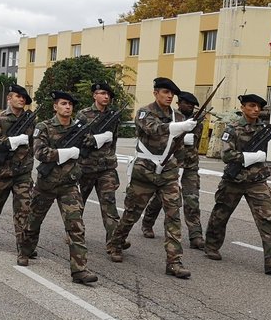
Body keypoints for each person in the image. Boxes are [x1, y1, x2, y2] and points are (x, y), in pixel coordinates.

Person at [106, 77, 195, 279]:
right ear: (155, 93)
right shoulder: (145, 112)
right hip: (144, 171)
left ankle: (174, 262)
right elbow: (152, 129)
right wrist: (175, 128)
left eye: (171, 93)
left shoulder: (179, 116)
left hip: (168, 173)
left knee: (173, 215)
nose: (169, 96)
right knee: (132, 213)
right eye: (165, 92)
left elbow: (179, 148)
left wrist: (178, 167)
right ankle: (116, 243)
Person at [204, 93, 271, 274]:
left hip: (256, 180)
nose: (256, 110)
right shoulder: (233, 128)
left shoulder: (264, 129)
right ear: (243, 107)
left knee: (266, 218)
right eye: (251, 106)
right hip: (234, 180)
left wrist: (258, 158)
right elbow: (226, 156)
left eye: (258, 107)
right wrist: (248, 156)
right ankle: (211, 245)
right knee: (221, 214)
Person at [17, 90, 97, 283]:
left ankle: (79, 270)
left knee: (76, 226)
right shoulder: (43, 127)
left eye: (70, 104)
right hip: (46, 184)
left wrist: (89, 144)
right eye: (63, 103)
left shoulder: (80, 127)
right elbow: (40, 153)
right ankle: (25, 251)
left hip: (69, 185)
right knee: (33, 222)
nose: (67, 107)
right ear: (55, 106)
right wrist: (67, 152)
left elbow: (87, 148)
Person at [141, 90, 205, 249]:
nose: (190, 107)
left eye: (192, 105)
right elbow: (164, 136)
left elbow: (193, 143)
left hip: (189, 166)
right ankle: (147, 222)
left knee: (192, 200)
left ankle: (195, 235)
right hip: (172, 164)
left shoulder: (197, 122)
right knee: (161, 198)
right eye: (187, 104)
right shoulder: (170, 118)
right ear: (179, 103)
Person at [0, 84, 35, 261]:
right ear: (9, 98)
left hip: (23, 172)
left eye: (24, 98)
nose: (21, 99)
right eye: (17, 96)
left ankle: (23, 250)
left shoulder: (31, 119)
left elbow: (34, 144)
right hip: (1, 171)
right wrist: (12, 141)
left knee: (24, 210)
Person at [76, 82, 121, 242]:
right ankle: (74, 234)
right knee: (78, 204)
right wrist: (95, 139)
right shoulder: (83, 114)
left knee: (109, 205)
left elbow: (113, 140)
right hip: (86, 167)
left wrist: (110, 156)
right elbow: (78, 139)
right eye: (102, 93)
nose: (106, 96)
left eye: (108, 94)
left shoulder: (113, 115)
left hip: (106, 168)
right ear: (94, 95)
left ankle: (115, 243)